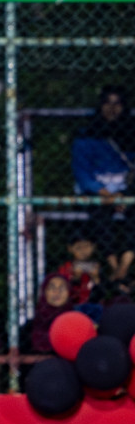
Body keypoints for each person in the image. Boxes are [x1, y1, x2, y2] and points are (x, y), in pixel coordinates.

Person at [72, 85, 135, 280]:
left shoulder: (131, 135)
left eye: (117, 104)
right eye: (107, 103)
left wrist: (124, 194)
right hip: (98, 192)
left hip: (127, 190)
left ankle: (124, 266)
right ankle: (114, 266)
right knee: (100, 216)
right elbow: (82, 174)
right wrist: (107, 194)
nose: (112, 108)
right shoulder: (86, 135)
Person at [29, 273, 74, 355]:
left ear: (69, 292)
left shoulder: (76, 320)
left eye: (62, 288)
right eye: (51, 288)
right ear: (44, 292)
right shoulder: (31, 325)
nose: (57, 292)